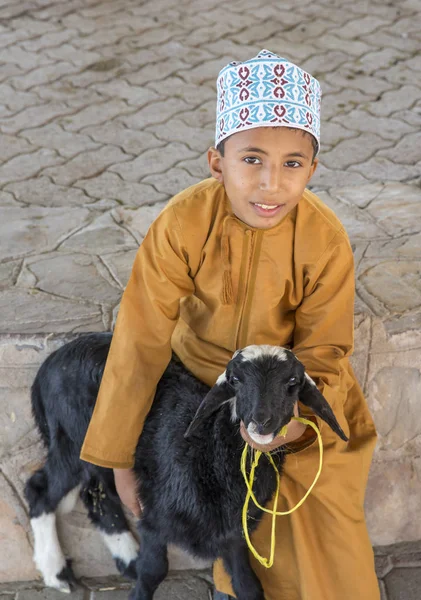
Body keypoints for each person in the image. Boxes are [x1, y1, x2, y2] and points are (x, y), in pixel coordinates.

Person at [80, 49, 380, 600]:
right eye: (252, 160)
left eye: (293, 163)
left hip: (289, 386)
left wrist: (288, 424)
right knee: (214, 467)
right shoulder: (181, 225)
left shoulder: (325, 240)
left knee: (318, 485)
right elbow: (140, 338)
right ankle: (235, 583)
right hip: (203, 381)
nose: (271, 184)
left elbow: (324, 350)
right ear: (217, 161)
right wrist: (118, 460)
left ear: (313, 168)